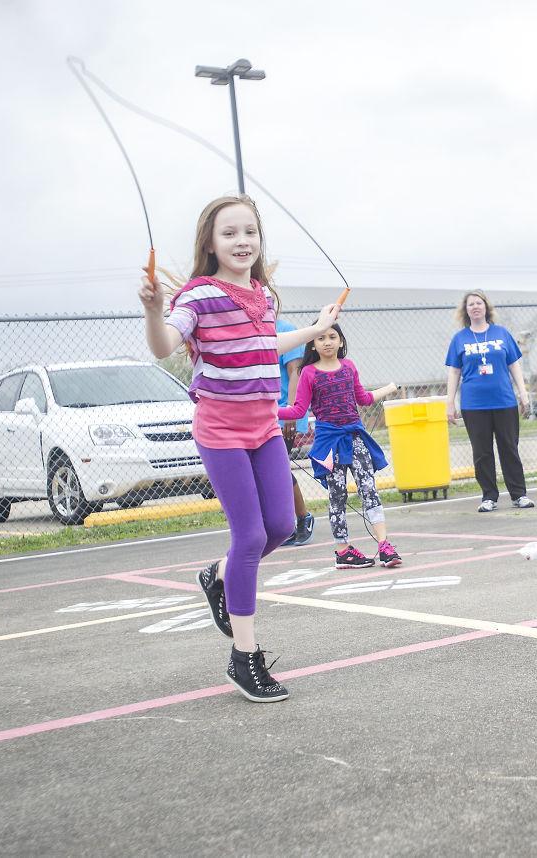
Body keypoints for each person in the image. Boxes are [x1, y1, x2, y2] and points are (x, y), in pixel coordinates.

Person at [140, 194, 339, 703]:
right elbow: (165, 346)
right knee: (249, 536)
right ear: (210, 242)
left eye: (249, 232)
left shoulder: (263, 295)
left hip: (265, 426)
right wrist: (152, 312)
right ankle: (244, 659)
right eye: (229, 233)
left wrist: (315, 329)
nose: (242, 241)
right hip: (221, 430)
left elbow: (265, 343)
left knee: (284, 526)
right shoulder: (198, 296)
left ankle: (218, 574)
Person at [279, 323, 402, 569]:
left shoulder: (349, 367)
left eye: (332, 337)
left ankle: (384, 545)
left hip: (355, 438)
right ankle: (343, 549)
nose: (327, 342)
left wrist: (388, 389)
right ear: (312, 343)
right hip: (328, 444)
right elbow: (298, 409)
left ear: (341, 341)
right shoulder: (309, 373)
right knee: (337, 495)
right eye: (321, 337)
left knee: (369, 489)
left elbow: (363, 399)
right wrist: (268, 410)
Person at [444, 291, 534, 512]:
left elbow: (514, 365)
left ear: (486, 307)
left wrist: (523, 393)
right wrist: (450, 402)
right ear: (465, 310)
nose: (475, 307)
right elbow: (454, 373)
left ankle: (519, 495)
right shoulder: (460, 339)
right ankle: (489, 496)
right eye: (471, 304)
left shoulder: (501, 334)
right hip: (474, 405)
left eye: (479, 303)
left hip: (504, 401)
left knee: (509, 448)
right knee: (482, 452)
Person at [276, 317, 315, 546]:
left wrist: (291, 410)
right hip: (261, 414)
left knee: (277, 468)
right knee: (266, 472)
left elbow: (295, 372)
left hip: (284, 414)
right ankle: (284, 523)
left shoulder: (285, 331)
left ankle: (303, 517)